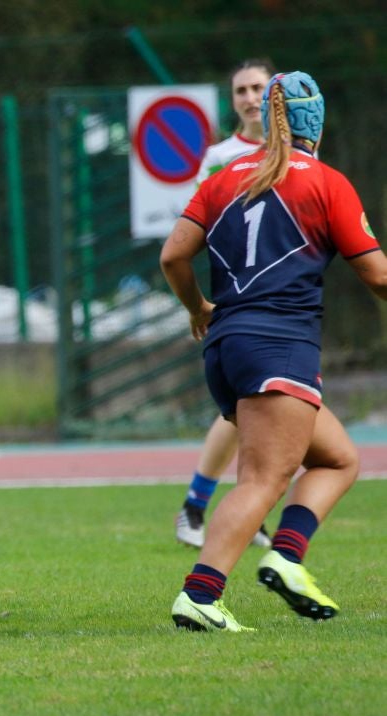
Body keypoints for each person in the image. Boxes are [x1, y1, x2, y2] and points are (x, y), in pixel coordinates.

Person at [161, 71, 387, 632]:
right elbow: (377, 276)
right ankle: (200, 595)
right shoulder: (327, 182)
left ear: (264, 117)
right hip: (278, 346)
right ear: (318, 122)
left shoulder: (222, 179)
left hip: (226, 346)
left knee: (338, 459)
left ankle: (286, 557)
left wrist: (197, 308)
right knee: (262, 481)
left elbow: (173, 256)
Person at [174, 59, 277, 550]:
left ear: (275, 92)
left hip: (285, 298)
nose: (250, 97)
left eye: (259, 87)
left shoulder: (294, 153)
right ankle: (200, 506)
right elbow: (196, 226)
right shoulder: (218, 157)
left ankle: (238, 506)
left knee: (253, 409)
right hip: (240, 298)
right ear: (232, 99)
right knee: (250, 406)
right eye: (241, 89)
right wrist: (202, 300)